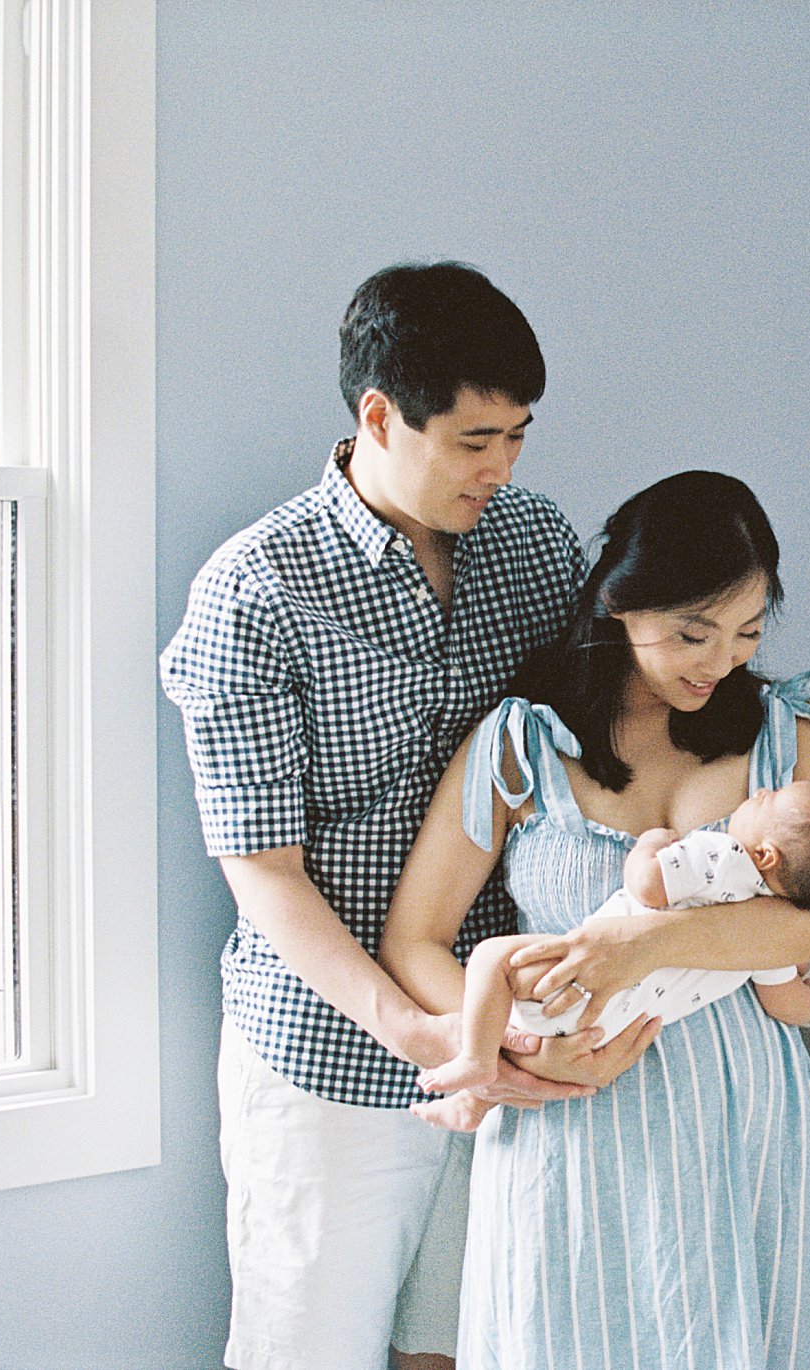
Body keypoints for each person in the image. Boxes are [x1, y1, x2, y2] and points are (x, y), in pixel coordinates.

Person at [161, 262, 651, 1370]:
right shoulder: (255, 591)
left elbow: (591, 748)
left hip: (512, 1037)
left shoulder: (532, 546)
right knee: (306, 1349)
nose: (502, 466)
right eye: (474, 439)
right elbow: (266, 874)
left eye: (519, 435)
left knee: (479, 1345)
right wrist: (420, 1032)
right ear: (378, 415)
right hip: (330, 1053)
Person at [381, 470, 810, 1369]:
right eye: (692, 631)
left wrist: (647, 941)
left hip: (743, 1121)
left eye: (746, 632)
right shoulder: (523, 745)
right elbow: (414, 936)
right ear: (617, 600)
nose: (718, 661)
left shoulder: (787, 739)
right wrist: (518, 1046)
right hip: (572, 1119)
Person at [393, 777, 810, 1121]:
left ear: (765, 854)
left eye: (767, 800)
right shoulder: (768, 940)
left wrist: (651, 843)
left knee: (490, 957)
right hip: (608, 1033)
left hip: (572, 983)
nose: (758, 794)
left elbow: (648, 886)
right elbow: (787, 1005)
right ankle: (474, 1103)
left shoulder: (722, 857)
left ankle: (478, 1059)